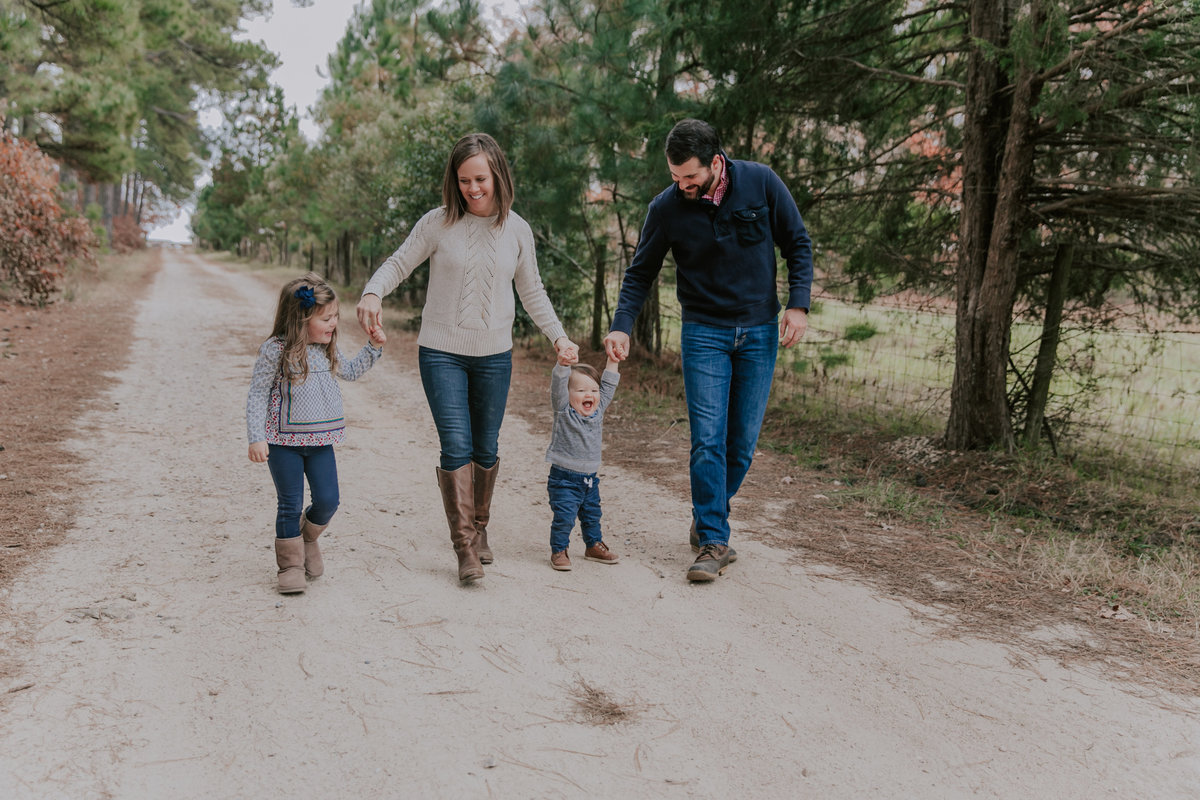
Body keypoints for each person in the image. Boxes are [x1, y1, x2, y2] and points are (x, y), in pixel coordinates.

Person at [356, 132, 578, 584]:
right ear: (453, 182)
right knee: (456, 444)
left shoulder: (517, 230)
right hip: (440, 352)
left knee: (487, 446)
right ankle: (464, 549)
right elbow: (399, 263)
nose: (473, 189)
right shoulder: (437, 223)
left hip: (494, 355)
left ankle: (480, 529)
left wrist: (559, 336)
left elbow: (531, 290)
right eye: (463, 181)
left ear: (497, 174)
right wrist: (373, 290)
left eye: (480, 179)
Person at [603, 119, 813, 583]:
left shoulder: (761, 182)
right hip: (704, 334)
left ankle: (707, 513)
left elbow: (797, 241)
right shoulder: (666, 208)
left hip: (759, 332)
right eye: (675, 177)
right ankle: (715, 539)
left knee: (741, 445)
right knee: (707, 440)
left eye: (690, 177)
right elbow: (640, 273)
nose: (683, 186)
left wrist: (798, 305)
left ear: (716, 162)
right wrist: (622, 326)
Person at [246, 273, 387, 594]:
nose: (333, 324)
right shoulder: (276, 350)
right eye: (326, 318)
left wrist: (373, 347)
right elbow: (257, 393)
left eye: (335, 316)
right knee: (289, 503)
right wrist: (256, 436)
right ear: (300, 319)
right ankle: (291, 565)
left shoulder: (326, 349)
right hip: (283, 443)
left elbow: (350, 371)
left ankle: (307, 538)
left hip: (321, 441)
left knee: (328, 500)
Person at [545, 356, 622, 571]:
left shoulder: (597, 413)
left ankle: (593, 546)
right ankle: (559, 550)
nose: (589, 395)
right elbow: (558, 384)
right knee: (564, 517)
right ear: (568, 395)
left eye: (593, 391)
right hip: (564, 479)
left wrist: (612, 359)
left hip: (590, 479)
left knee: (592, 514)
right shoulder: (563, 411)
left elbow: (609, 384)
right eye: (580, 391)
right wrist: (562, 364)